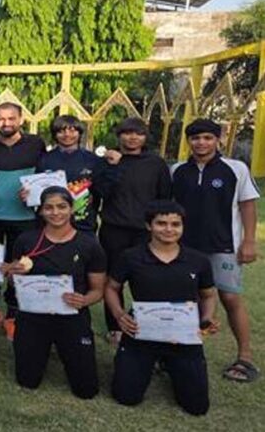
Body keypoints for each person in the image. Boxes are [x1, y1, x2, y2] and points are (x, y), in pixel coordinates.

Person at [107, 200, 217, 416]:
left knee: (196, 407)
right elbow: (111, 288)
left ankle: (171, 365)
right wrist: (119, 315)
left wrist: (207, 318)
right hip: (141, 331)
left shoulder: (198, 260)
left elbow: (208, 295)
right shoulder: (130, 257)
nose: (169, 229)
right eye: (161, 223)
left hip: (182, 336)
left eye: (175, 224)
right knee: (126, 397)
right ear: (149, 226)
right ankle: (143, 362)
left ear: (183, 227)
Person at [171, 118, 261, 382]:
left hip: (224, 246)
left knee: (230, 298)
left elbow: (247, 205)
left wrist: (249, 241)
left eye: (208, 138)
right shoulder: (177, 170)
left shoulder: (235, 169)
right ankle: (180, 351)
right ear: (189, 141)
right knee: (187, 299)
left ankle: (245, 357)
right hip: (185, 247)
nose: (201, 143)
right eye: (196, 138)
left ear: (217, 140)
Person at [4, 186, 106, 399]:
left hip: (72, 316)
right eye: (48, 207)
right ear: (40, 211)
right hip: (33, 316)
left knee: (86, 390)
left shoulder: (89, 244)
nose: (55, 212)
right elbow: (14, 283)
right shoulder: (26, 240)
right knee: (27, 381)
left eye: (62, 206)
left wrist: (83, 300)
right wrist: (13, 275)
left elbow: (98, 290)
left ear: (71, 209)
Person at [97, 117, 171, 344]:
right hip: (114, 229)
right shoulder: (108, 160)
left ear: (145, 137)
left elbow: (165, 198)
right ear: (119, 136)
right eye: (127, 133)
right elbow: (101, 192)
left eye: (138, 133)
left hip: (145, 231)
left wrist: (159, 228)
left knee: (147, 278)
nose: (132, 138)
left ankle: (144, 322)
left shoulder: (156, 163)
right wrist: (113, 167)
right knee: (113, 280)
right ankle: (115, 327)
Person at [0, 102, 46, 338]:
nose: (6, 123)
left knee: (20, 267)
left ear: (21, 119)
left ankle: (13, 314)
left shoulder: (36, 144)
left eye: (11, 118)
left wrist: (36, 193)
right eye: (1, 118)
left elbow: (45, 176)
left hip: (24, 217)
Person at [36, 114, 104, 234]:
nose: (67, 135)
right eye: (61, 131)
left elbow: (100, 190)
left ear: (79, 133)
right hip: (51, 223)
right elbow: (37, 190)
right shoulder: (44, 159)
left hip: (83, 223)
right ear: (55, 134)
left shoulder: (93, 160)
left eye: (72, 130)